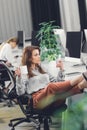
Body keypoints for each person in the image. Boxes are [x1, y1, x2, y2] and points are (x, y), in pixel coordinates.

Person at [15, 46, 87, 109]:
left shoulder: (42, 68)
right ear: (29, 58)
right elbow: (20, 93)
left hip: (52, 97)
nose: (39, 56)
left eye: (39, 54)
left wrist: (61, 69)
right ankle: (82, 76)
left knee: (62, 92)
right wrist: (19, 77)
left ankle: (82, 85)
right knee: (50, 86)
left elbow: (57, 82)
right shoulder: (24, 72)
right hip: (38, 100)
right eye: (36, 55)